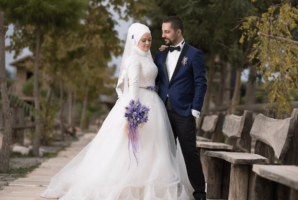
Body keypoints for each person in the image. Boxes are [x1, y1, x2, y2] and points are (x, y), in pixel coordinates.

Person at [41, 23, 193, 200]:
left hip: (154, 103)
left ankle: (148, 186)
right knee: (135, 147)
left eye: (149, 39)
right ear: (134, 40)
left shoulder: (147, 57)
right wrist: (133, 116)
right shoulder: (134, 59)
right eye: (143, 40)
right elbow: (134, 86)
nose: (147, 43)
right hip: (140, 104)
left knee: (154, 147)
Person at [154, 16, 207, 200]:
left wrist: (195, 109)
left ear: (178, 32)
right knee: (165, 153)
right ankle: (169, 191)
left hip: (184, 111)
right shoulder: (160, 54)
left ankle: (200, 192)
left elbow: (201, 83)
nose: (163, 35)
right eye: (162, 31)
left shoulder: (194, 54)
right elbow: (155, 80)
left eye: (166, 31)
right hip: (162, 111)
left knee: (189, 152)